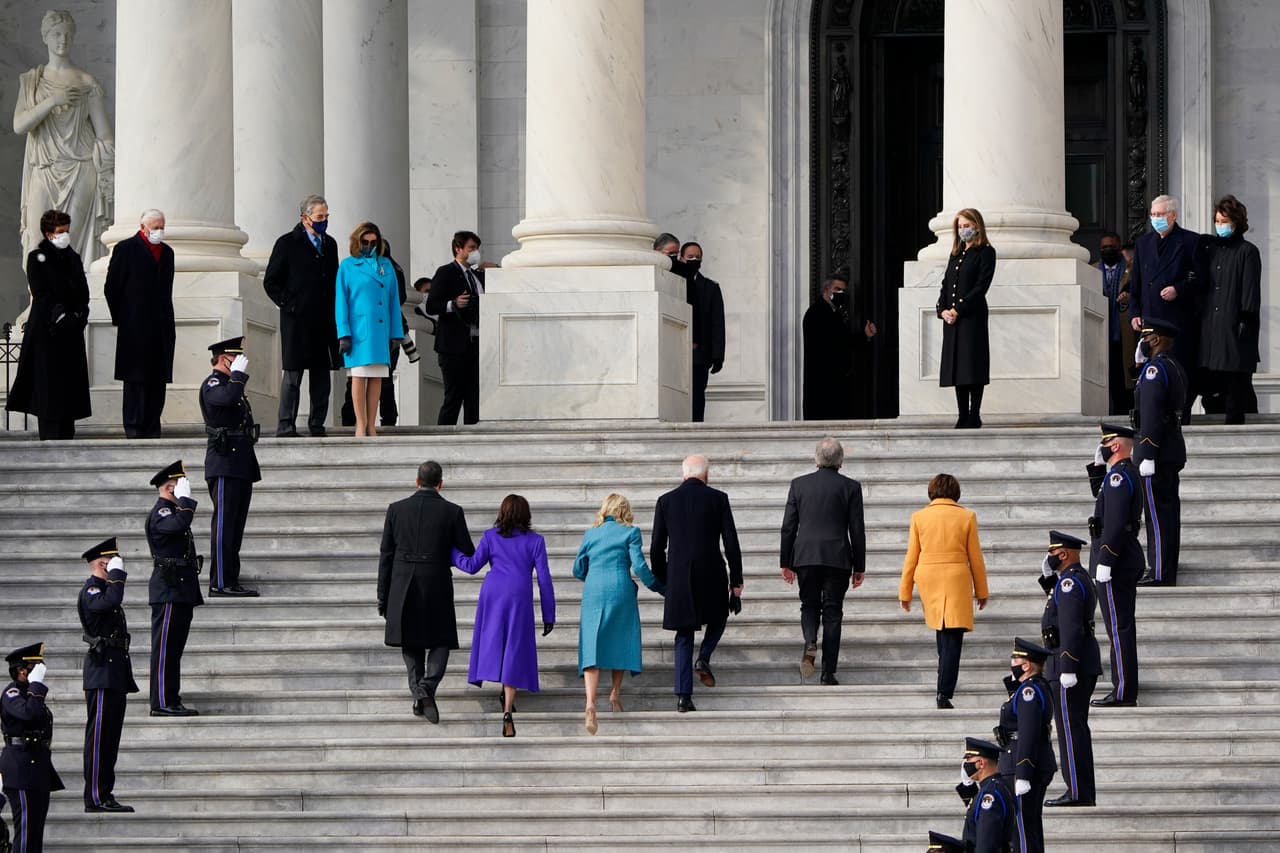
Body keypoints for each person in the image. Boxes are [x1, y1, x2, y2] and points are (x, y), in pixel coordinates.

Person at [14, 9, 114, 269]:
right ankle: (41, 302)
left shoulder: (86, 82)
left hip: (81, 168)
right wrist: (51, 102)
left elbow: (104, 135)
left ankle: (70, 302)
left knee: (70, 243)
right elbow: (19, 124)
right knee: (37, 240)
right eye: (57, 34)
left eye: (68, 34)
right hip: (44, 168)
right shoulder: (32, 82)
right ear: (45, 37)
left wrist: (111, 171)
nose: (63, 40)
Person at [377, 461, 475, 724]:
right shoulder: (452, 511)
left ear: (416, 481)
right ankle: (427, 688)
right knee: (441, 639)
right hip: (436, 580)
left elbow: (386, 554)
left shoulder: (396, 510)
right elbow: (467, 549)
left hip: (402, 582)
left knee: (411, 641)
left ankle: (419, 691)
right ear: (440, 484)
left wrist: (382, 595)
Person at [451, 495, 555, 738]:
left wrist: (451, 552)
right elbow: (545, 580)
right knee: (514, 648)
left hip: (494, 593)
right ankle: (507, 708)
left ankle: (497, 685)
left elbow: (471, 566)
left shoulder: (490, 536)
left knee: (495, 640)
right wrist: (548, 613)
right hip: (519, 595)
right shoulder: (536, 541)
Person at [650, 455, 744, 712]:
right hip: (712, 569)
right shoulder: (719, 499)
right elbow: (731, 543)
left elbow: (657, 548)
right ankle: (703, 658)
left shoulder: (665, 501)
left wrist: (664, 578)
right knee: (719, 617)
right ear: (707, 475)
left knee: (684, 634)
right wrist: (737, 580)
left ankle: (683, 697)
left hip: (679, 574)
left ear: (683, 475)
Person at [573, 493, 666, 734]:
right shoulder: (630, 532)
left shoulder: (590, 534)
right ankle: (615, 693)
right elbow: (640, 566)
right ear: (625, 510)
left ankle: (590, 704)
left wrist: (592, 575)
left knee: (592, 643)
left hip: (594, 590)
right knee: (621, 638)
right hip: (620, 587)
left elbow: (577, 568)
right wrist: (660, 587)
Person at [779, 437, 866, 686]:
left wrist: (786, 561)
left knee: (809, 605)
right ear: (840, 460)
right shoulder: (851, 487)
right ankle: (828, 672)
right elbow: (857, 529)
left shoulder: (799, 485)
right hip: (837, 557)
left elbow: (788, 527)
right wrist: (859, 565)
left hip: (805, 556)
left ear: (817, 458)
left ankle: (809, 641)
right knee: (832, 612)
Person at [898, 474, 989, 708]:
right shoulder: (967, 516)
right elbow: (975, 557)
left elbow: (911, 557)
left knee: (942, 630)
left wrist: (905, 591)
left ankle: (943, 682)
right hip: (956, 576)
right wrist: (982, 590)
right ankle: (944, 692)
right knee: (953, 637)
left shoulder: (919, 517)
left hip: (928, 575)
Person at [5, 209, 91, 439]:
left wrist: (79, 315)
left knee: (69, 388)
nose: (65, 236)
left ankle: (66, 431)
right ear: (48, 234)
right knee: (49, 387)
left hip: (71, 332)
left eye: (67, 231)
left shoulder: (73, 258)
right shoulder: (37, 257)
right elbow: (41, 293)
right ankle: (51, 433)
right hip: (48, 332)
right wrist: (61, 317)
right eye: (60, 232)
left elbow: (83, 291)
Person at [263, 194, 339, 438]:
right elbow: (271, 281)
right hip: (297, 321)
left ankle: (317, 423)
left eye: (326, 216)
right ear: (305, 218)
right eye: (319, 217)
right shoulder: (287, 243)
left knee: (321, 376)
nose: (323, 221)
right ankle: (286, 425)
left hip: (324, 321)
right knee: (293, 374)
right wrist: (290, 304)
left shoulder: (330, 244)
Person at [1128, 194, 1204, 423]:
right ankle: (1149, 417)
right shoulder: (1143, 244)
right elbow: (1136, 283)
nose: (1155, 218)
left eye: (1160, 214)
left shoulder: (1191, 241)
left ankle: (1181, 415)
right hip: (1150, 319)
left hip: (1177, 321)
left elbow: (1201, 278)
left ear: (1173, 215)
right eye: (1153, 214)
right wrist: (1135, 312)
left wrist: (1178, 289)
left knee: (1178, 368)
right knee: (1149, 371)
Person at [1039, 530, 1100, 808]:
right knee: (1074, 728)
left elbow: (1071, 627)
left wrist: (1067, 665)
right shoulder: (1071, 580)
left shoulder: (1069, 584)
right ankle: (1080, 789)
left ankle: (1077, 790)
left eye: (1052, 554)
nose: (1049, 558)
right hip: (1076, 661)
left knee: (1070, 730)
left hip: (1068, 663)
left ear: (1063, 554)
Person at [76, 537, 138, 813]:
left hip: (113, 672)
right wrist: (117, 575)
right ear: (103, 562)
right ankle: (95, 797)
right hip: (101, 673)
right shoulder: (92, 590)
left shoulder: (102, 589)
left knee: (110, 739)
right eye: (111, 561)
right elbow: (111, 600)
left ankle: (105, 793)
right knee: (100, 738)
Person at [1086, 424, 1144, 708]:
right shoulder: (1118, 475)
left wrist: (1106, 558)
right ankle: (1124, 687)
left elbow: (1116, 521)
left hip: (1117, 561)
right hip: (1121, 558)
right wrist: (1098, 467)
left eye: (1106, 443)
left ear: (1116, 446)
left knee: (1118, 628)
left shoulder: (1121, 476)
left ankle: (1123, 691)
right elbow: (1102, 500)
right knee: (1118, 627)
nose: (1103, 447)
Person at [103, 209, 174, 438]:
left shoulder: (167, 253)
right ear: (143, 227)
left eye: (162, 226)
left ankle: (153, 426)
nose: (159, 231)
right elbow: (112, 287)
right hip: (134, 326)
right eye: (155, 227)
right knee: (136, 380)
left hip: (161, 326)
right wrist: (123, 317)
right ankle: (134, 427)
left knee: (157, 380)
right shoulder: (125, 249)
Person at [199, 336, 261, 597]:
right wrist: (236, 376)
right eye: (235, 358)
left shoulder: (231, 384)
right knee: (224, 526)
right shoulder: (214, 383)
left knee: (235, 526)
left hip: (239, 462)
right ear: (223, 359)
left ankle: (230, 577)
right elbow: (224, 400)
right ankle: (220, 582)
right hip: (224, 462)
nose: (240, 363)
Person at [145, 460, 202, 717]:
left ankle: (171, 697)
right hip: (168, 588)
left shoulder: (172, 511)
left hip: (179, 588)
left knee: (174, 648)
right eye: (179, 487)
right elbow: (177, 526)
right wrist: (186, 504)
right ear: (170, 489)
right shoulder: (163, 513)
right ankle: (161, 701)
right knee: (165, 648)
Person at [1132, 320, 1187, 586]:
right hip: (1170, 447)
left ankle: (1160, 572)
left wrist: (1149, 452)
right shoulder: (1171, 366)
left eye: (1144, 338)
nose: (1140, 342)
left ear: (1154, 340)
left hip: (1158, 449)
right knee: (1166, 512)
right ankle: (1165, 568)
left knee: (1156, 514)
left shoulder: (1156, 369)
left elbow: (1152, 412)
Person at [335, 222, 401, 438]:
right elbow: (341, 302)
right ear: (357, 241)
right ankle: (360, 424)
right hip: (359, 330)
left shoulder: (386, 266)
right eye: (365, 242)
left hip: (381, 329)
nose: (369, 246)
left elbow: (394, 301)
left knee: (377, 378)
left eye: (373, 242)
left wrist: (396, 333)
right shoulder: (347, 266)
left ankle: (372, 424)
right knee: (359, 376)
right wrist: (343, 333)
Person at [1199, 194, 1261, 425]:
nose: (1220, 226)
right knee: (1211, 380)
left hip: (1234, 324)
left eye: (1224, 221)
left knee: (1237, 379)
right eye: (1217, 221)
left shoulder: (1247, 251)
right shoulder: (1211, 249)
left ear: (1236, 222)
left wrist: (1245, 317)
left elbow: (1250, 289)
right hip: (1211, 325)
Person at [936, 208, 996, 428]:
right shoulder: (956, 254)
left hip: (972, 317)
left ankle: (974, 414)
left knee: (972, 365)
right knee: (957, 367)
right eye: (960, 226)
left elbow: (981, 286)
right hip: (952, 319)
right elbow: (946, 285)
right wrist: (942, 309)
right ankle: (962, 414)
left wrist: (958, 309)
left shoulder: (986, 252)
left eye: (967, 226)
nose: (963, 230)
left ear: (977, 226)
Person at [995, 638, 1056, 853]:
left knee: (1022, 827)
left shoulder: (1029, 692)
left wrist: (1023, 771)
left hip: (1024, 764)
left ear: (1027, 665)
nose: (1012, 662)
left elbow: (1028, 733)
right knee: (1027, 826)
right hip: (1023, 762)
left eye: (1016, 659)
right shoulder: (1030, 688)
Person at [1, 643, 63, 851]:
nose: (41, 670)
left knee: (35, 833)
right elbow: (29, 714)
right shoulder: (12, 693)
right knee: (27, 832)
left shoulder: (28, 694)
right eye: (36, 667)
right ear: (22, 670)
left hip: (36, 768)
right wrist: (36, 686)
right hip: (21, 769)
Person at [426, 230, 485, 425]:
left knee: (474, 399)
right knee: (453, 397)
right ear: (458, 249)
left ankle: (472, 440)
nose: (475, 252)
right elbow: (431, 305)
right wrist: (453, 304)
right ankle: (441, 441)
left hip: (475, 346)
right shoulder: (446, 272)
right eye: (471, 248)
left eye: (477, 248)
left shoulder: (476, 277)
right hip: (452, 347)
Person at [802, 276, 877, 420]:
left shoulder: (833, 313)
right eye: (837, 289)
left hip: (834, 384)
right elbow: (837, 342)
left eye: (843, 290)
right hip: (823, 386)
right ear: (826, 290)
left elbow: (842, 340)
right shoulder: (816, 313)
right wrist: (862, 337)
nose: (841, 293)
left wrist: (864, 335)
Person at [678, 242, 726, 422]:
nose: (694, 260)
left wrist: (718, 356)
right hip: (677, 350)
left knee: (698, 394)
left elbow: (717, 323)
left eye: (697, 257)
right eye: (690, 257)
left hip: (700, 352)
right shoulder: (672, 282)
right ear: (681, 258)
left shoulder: (710, 287)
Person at [955, 737, 1016, 852]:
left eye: (969, 759)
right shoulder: (991, 787)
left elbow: (987, 840)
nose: (966, 764)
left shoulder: (990, 794)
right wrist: (967, 784)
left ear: (981, 763)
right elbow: (972, 808)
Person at [1098, 231, 1136, 416]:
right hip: (1100, 333)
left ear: (1119, 247)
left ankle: (1125, 412)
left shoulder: (1131, 270)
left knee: (1125, 377)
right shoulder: (1091, 270)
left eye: (1112, 247)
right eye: (1104, 247)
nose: (1108, 250)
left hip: (1124, 332)